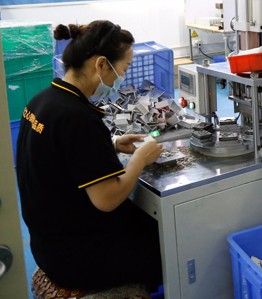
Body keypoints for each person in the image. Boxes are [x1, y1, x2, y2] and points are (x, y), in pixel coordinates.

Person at [17, 21, 164, 295]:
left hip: (48, 244)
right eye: (124, 69)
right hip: (77, 259)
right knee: (166, 235)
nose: (122, 77)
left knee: (141, 220)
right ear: (101, 65)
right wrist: (140, 160)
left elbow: (58, 155)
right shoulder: (78, 118)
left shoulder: (42, 101)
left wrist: (112, 145)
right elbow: (107, 199)